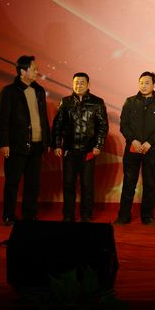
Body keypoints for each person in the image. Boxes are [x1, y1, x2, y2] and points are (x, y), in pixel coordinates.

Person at [0, 55, 50, 225]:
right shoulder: (9, 91)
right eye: (34, 69)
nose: (37, 72)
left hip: (37, 145)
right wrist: (4, 143)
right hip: (16, 145)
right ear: (22, 71)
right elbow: (2, 119)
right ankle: (8, 215)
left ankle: (29, 215)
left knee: (33, 184)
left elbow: (43, 118)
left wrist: (47, 141)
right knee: (12, 183)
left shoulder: (39, 91)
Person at [51, 72, 108, 222]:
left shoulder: (97, 102)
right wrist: (57, 145)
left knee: (87, 185)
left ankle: (86, 215)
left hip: (88, 151)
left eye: (82, 82)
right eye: (76, 82)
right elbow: (57, 125)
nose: (79, 85)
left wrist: (98, 145)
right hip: (69, 151)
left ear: (88, 84)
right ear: (72, 84)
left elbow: (102, 126)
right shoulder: (65, 102)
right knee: (68, 184)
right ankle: (68, 216)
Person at [115, 72, 155, 226]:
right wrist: (133, 140)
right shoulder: (130, 101)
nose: (143, 86)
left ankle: (147, 216)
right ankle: (124, 215)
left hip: (151, 150)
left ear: (154, 85)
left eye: (147, 83)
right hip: (132, 149)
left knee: (149, 184)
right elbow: (124, 125)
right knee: (129, 183)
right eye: (141, 82)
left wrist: (149, 143)